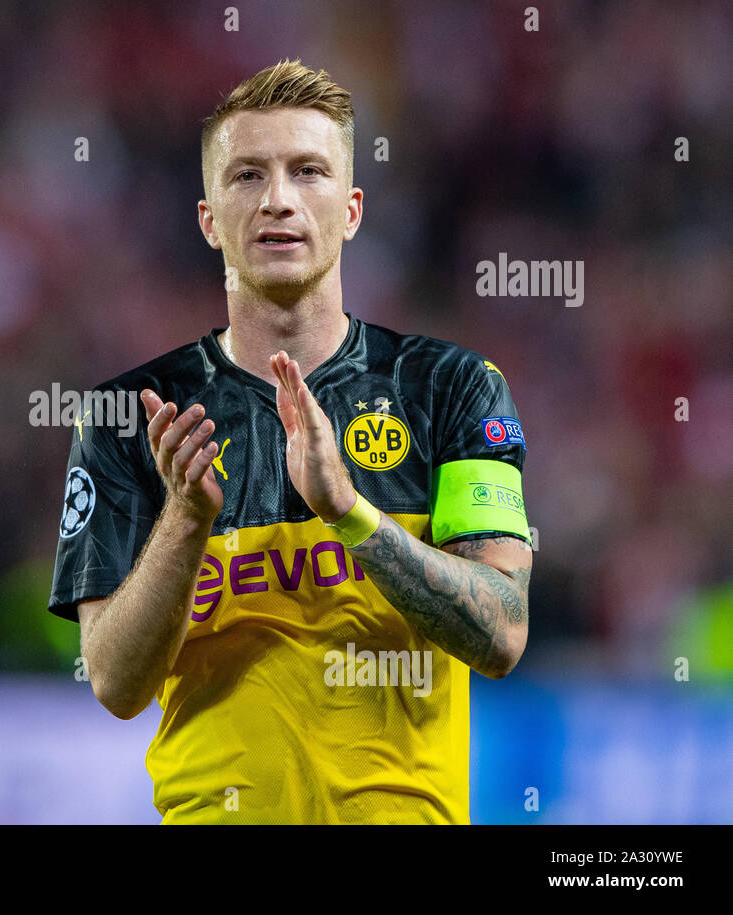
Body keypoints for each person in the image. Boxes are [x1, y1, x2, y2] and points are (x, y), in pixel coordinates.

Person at [48, 58, 532, 824]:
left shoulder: (454, 388)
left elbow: (502, 632)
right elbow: (114, 683)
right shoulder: (131, 415)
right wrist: (184, 521)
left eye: (308, 171)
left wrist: (350, 514)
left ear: (351, 209)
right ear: (208, 217)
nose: (278, 200)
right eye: (246, 176)